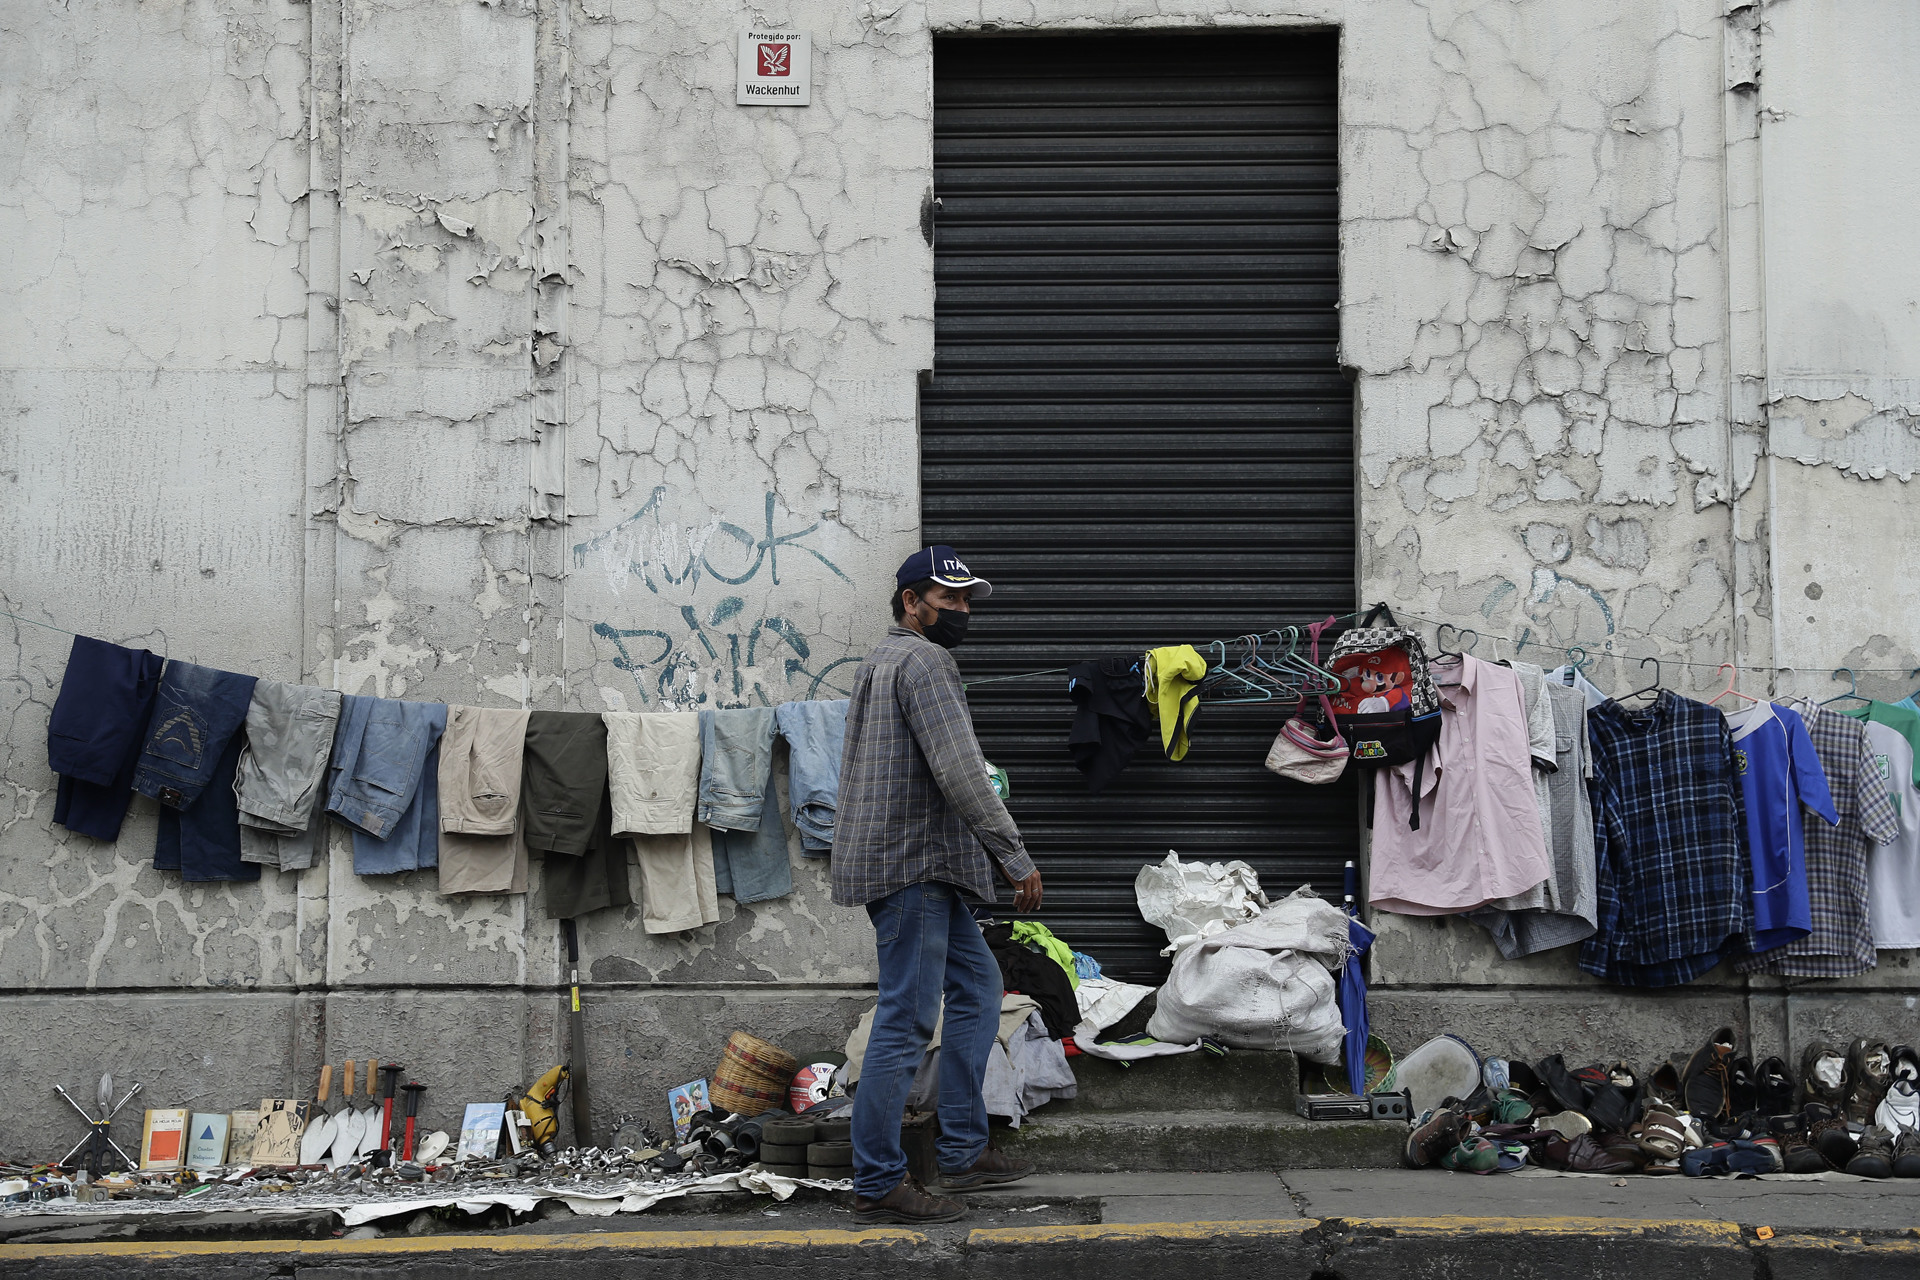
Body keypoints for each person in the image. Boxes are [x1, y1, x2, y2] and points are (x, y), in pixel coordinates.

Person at [832, 545, 1044, 1225]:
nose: (960, 611)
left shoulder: (883, 660)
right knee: (906, 1018)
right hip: (913, 867)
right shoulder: (926, 662)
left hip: (918, 866)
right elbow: (961, 773)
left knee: (979, 988)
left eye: (964, 600)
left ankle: (961, 1147)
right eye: (947, 599)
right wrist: (1014, 857)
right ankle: (878, 1180)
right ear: (910, 602)